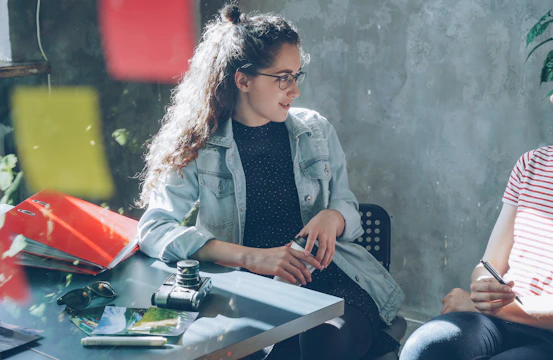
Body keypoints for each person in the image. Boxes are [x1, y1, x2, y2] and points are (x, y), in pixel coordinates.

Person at [136, 4, 404, 359]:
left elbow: (347, 207)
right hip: (245, 289)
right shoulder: (200, 145)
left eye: (296, 75)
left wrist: (332, 217)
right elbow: (154, 229)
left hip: (332, 283)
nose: (294, 91)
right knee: (263, 350)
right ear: (243, 80)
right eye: (282, 78)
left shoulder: (316, 131)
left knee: (325, 339)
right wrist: (251, 258)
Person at [400, 29, 553, 360]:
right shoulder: (533, 164)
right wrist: (484, 288)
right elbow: (489, 265)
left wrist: (491, 307)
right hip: (499, 323)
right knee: (424, 348)